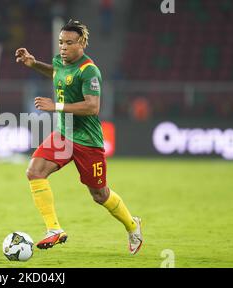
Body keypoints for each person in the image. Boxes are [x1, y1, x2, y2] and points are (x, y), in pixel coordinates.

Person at [15, 20, 143, 254]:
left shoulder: (89, 70)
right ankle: (54, 229)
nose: (63, 47)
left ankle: (133, 226)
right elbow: (56, 73)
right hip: (64, 134)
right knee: (34, 172)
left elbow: (93, 107)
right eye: (61, 42)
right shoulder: (59, 61)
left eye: (69, 43)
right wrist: (33, 64)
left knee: (100, 194)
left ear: (82, 43)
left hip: (88, 141)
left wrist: (56, 106)